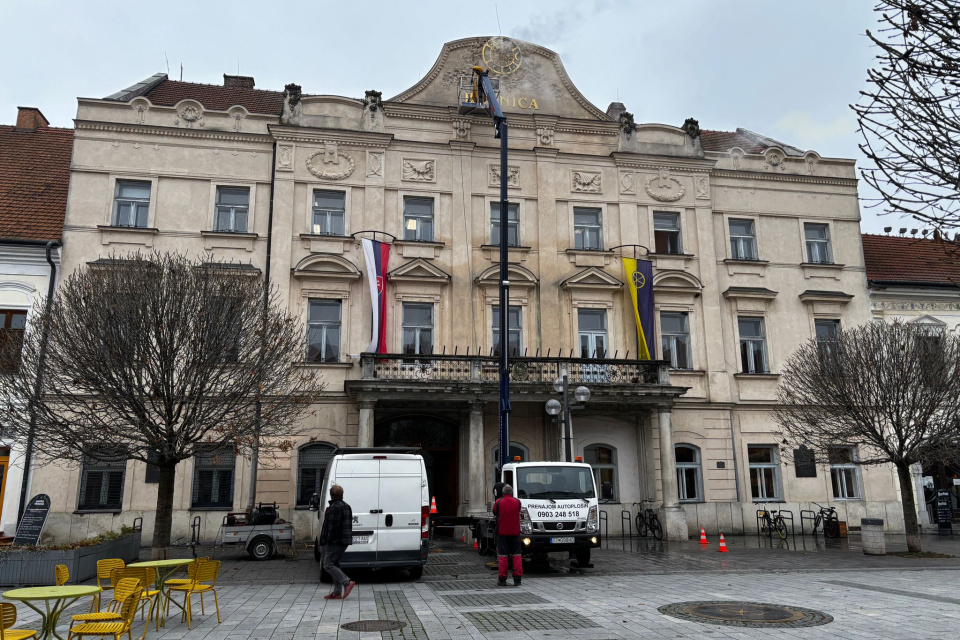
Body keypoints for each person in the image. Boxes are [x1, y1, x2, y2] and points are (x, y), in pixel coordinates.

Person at [319, 484, 356, 599]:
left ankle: (347, 582)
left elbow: (333, 527)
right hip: (343, 540)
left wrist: (329, 540)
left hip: (335, 541)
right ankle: (337, 592)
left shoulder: (335, 507)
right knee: (335, 564)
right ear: (341, 495)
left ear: (331, 495)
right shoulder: (346, 506)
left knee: (328, 564)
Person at [492, 483, 523, 586]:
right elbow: (519, 512)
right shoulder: (517, 502)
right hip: (515, 533)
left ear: (503, 492)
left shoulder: (498, 502)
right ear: (511, 492)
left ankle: (502, 579)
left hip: (502, 533)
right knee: (517, 556)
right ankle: (517, 579)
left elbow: (494, 512)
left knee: (503, 556)